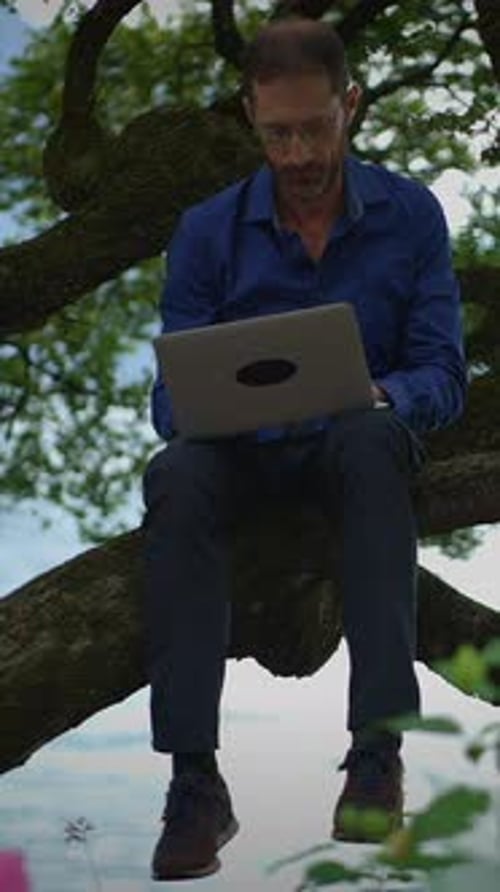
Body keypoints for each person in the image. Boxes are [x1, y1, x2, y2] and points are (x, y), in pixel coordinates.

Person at [141, 17, 466, 881]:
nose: (297, 152)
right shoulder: (205, 231)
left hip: (354, 451)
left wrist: (385, 392)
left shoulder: (412, 215)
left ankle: (376, 753)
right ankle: (195, 781)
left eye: (315, 127)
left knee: (369, 437)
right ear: (251, 116)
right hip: (238, 461)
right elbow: (169, 393)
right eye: (277, 131)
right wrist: (198, 407)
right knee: (174, 474)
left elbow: (443, 371)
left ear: (349, 107)